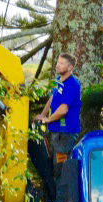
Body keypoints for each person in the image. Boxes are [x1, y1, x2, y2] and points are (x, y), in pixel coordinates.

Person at [35, 53, 82, 185]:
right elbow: (53, 98)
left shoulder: (72, 84)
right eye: (58, 62)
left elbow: (63, 109)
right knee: (55, 167)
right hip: (58, 132)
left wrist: (48, 119)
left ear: (70, 67)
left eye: (62, 63)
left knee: (61, 170)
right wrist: (43, 114)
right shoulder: (59, 80)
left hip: (65, 133)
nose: (57, 65)